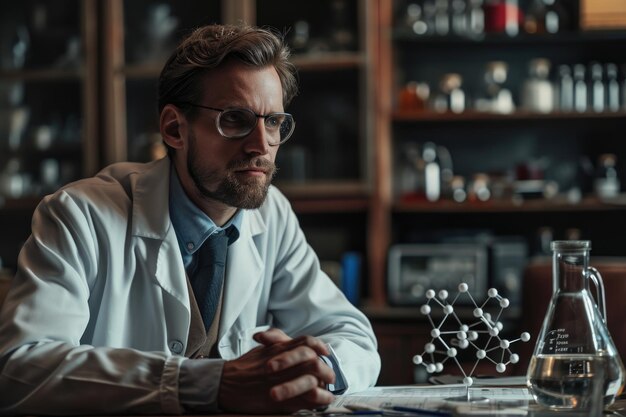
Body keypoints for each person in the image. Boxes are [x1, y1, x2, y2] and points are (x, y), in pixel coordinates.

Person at [0, 24, 380, 415]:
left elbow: (353, 337)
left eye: (273, 122)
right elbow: (21, 371)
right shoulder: (79, 215)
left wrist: (315, 368)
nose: (261, 145)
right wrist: (209, 383)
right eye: (235, 119)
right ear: (174, 128)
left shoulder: (272, 213)